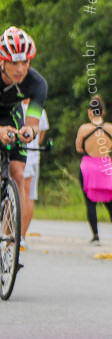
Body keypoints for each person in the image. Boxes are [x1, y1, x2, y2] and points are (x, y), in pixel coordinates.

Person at [0, 27, 47, 206]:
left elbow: (33, 123)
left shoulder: (37, 84)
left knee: (18, 174)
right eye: (13, 63)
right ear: (2, 62)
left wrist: (28, 131)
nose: (20, 69)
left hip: (12, 115)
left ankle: (11, 232)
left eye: (25, 62)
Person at [74, 95, 112, 245]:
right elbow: (111, 145)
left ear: (90, 112)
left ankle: (96, 235)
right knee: (111, 202)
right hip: (106, 165)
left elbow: (78, 148)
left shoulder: (84, 129)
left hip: (89, 166)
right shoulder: (111, 128)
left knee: (90, 202)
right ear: (103, 112)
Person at [19, 99, 48, 242]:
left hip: (23, 156)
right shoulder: (39, 109)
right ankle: (21, 236)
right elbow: (41, 135)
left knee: (22, 194)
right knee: (28, 196)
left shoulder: (14, 106)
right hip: (33, 155)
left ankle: (17, 235)